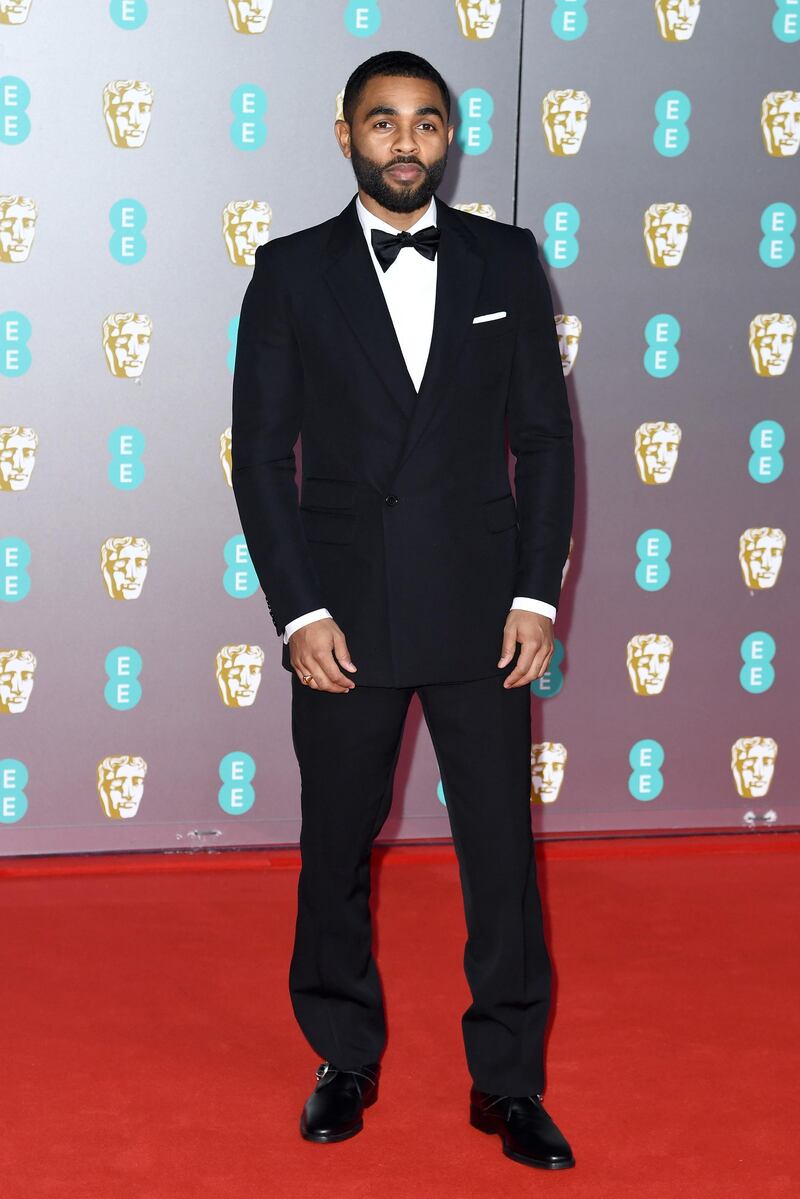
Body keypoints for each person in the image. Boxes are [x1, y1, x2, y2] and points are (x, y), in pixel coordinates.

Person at [231, 49, 576, 1171]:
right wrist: (297, 612)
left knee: (498, 854)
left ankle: (508, 1081)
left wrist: (535, 592)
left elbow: (542, 440)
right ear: (345, 137)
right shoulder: (287, 272)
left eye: (425, 123)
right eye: (382, 124)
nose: (405, 143)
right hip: (343, 615)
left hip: (483, 612)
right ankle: (342, 1052)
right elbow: (262, 462)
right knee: (333, 842)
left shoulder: (504, 260)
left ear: (449, 137)